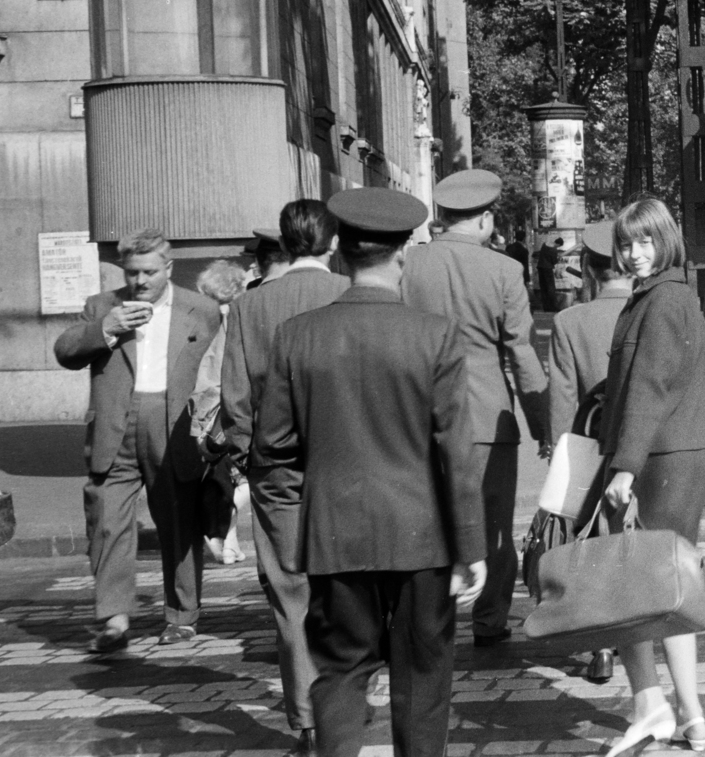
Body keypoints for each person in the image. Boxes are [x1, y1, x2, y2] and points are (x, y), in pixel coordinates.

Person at [254, 188, 486, 757]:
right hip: (422, 536)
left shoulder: (296, 336)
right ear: (402, 255)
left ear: (340, 254)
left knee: (339, 670)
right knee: (424, 675)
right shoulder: (434, 335)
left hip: (333, 534)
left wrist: (295, 527)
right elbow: (454, 453)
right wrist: (471, 546)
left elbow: (272, 450)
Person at [217, 199, 351, 756]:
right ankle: (347, 705)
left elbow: (236, 396)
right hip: (350, 463)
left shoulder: (252, 308)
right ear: (332, 243)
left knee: (291, 593)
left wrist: (246, 455)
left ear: (286, 244)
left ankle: (307, 720)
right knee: (347, 588)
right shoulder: (349, 296)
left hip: (278, 469)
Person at [53, 229, 222, 653]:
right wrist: (104, 330)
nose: (139, 282)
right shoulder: (102, 306)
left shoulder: (200, 309)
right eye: (131, 273)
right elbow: (65, 351)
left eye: (149, 272)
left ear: (168, 268)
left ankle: (181, 616)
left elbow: (218, 368)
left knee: (179, 520)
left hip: (173, 422)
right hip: (114, 424)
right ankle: (114, 617)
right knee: (107, 521)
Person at [401, 168, 548, 648]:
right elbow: (522, 352)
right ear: (485, 220)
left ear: (442, 217)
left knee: (429, 516)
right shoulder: (504, 270)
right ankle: (490, 619)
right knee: (494, 524)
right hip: (487, 415)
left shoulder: (410, 264)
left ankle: (430, 617)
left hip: (420, 412)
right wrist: (542, 420)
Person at [599, 198, 705, 757]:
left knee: (638, 588)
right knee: (668, 589)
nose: (634, 253)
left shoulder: (661, 302)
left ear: (665, 240)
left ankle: (653, 705)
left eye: (645, 242)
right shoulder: (665, 297)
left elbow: (648, 389)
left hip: (656, 461)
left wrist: (624, 467)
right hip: (669, 456)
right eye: (626, 244)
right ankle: (687, 714)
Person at [546, 220, 633, 684]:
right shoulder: (647, 311)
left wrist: (558, 453)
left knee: (591, 540)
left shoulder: (569, 321)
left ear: (590, 270)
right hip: (643, 451)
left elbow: (562, 396)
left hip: (589, 446)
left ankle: (599, 646)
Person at [190, 260, 251, 566]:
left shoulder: (201, 318)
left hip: (203, 409)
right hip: (227, 407)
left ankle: (228, 542)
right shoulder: (233, 317)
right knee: (243, 480)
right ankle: (220, 529)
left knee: (224, 477)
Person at [535, 235, 566, 311]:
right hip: (548, 269)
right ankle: (553, 307)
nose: (558, 247)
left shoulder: (544, 245)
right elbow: (554, 261)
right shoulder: (553, 250)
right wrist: (558, 258)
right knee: (550, 287)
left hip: (540, 268)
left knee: (543, 288)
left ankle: (546, 307)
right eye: (559, 246)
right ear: (558, 244)